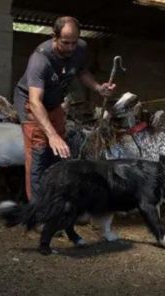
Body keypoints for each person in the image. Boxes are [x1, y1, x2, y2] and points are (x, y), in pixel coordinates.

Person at [13, 16, 115, 201]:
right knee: (39, 151)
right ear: (54, 37)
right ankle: (38, 212)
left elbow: (82, 71)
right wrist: (51, 135)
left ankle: (56, 200)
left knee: (59, 151)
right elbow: (36, 101)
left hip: (54, 102)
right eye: (65, 43)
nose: (70, 48)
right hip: (31, 103)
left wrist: (98, 88)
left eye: (73, 43)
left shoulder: (80, 49)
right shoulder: (40, 59)